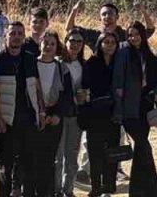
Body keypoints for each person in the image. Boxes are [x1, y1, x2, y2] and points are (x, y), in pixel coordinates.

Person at [0, 22, 43, 197]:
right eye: (13, 33)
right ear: (6, 36)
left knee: (30, 165)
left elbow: (37, 88)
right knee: (6, 167)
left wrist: (41, 112)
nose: (17, 36)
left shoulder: (29, 58)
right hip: (7, 121)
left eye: (20, 33)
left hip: (28, 119)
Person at [112, 21, 157, 197]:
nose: (133, 38)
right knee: (143, 145)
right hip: (129, 107)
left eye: (136, 34)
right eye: (130, 35)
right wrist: (118, 107)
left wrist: (156, 93)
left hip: (145, 107)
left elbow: (156, 80)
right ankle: (152, 189)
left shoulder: (150, 56)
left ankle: (139, 190)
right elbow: (117, 81)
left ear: (142, 35)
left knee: (141, 148)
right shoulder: (124, 52)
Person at [31, 32, 75, 197]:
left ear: (57, 47)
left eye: (52, 44)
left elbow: (67, 95)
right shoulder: (31, 65)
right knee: (34, 156)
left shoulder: (62, 68)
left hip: (55, 119)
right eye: (46, 43)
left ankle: (48, 192)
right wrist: (39, 114)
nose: (48, 47)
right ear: (40, 43)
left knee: (50, 158)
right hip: (34, 118)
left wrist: (56, 114)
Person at [80, 32, 120, 197]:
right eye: (106, 42)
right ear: (100, 44)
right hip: (95, 114)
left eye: (112, 42)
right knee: (95, 153)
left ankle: (108, 187)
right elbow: (85, 87)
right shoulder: (92, 63)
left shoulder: (119, 62)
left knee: (112, 153)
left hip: (114, 115)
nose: (109, 45)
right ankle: (95, 187)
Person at [57, 30, 88, 197]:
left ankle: (68, 190)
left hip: (76, 115)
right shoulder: (57, 63)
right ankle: (56, 190)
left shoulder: (84, 64)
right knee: (58, 156)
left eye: (79, 41)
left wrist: (85, 95)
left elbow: (88, 89)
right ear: (65, 41)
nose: (75, 44)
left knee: (72, 155)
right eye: (72, 40)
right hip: (60, 115)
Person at [68, 2, 156, 55]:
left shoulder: (124, 34)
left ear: (117, 17)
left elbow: (150, 30)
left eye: (110, 13)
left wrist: (144, 12)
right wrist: (74, 10)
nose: (107, 16)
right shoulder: (94, 34)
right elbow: (70, 29)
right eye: (104, 14)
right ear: (100, 18)